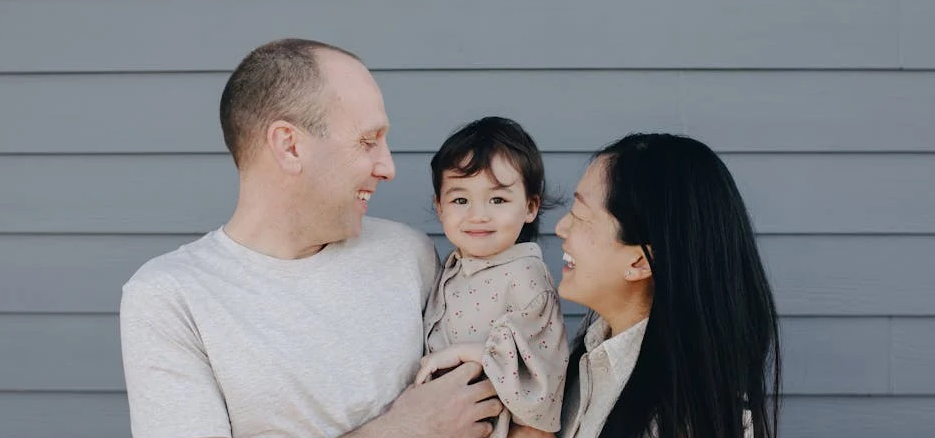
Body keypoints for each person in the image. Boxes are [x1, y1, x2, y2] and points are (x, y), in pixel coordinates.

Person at [120, 38, 502, 438]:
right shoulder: (171, 298)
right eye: (368, 141)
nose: (388, 167)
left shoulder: (409, 254)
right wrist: (406, 429)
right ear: (290, 146)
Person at [512, 133, 781, 438]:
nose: (561, 227)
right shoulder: (589, 354)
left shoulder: (687, 421)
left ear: (640, 261)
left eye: (580, 215)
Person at [415, 117, 569, 438]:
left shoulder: (526, 276)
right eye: (460, 200)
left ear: (530, 207)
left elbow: (541, 369)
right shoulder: (452, 267)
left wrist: (467, 353)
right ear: (440, 207)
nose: (478, 215)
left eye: (497, 199)